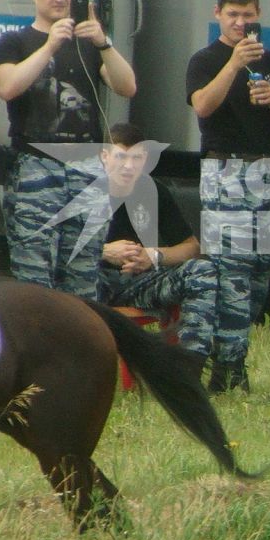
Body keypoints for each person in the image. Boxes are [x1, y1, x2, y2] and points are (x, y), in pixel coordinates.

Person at [0, 0, 137, 297]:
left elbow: (127, 87)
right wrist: (50, 46)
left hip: (86, 165)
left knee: (83, 275)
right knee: (34, 276)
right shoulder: (15, 42)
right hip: (35, 163)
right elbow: (8, 87)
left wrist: (104, 43)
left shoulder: (89, 44)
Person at [186, 0, 270, 393]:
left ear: (259, 15)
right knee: (229, 273)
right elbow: (203, 106)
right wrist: (233, 64)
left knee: (260, 274)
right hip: (225, 171)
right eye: (233, 16)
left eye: (247, 16)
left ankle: (232, 355)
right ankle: (229, 370)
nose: (240, 24)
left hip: (266, 170)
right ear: (218, 15)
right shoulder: (206, 59)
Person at [92, 123, 219, 371]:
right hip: (90, 281)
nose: (128, 166)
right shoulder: (82, 190)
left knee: (203, 271)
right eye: (120, 156)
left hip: (138, 281)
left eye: (136, 158)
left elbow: (191, 247)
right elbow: (58, 247)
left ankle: (189, 367)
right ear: (104, 156)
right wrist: (106, 251)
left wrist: (155, 255)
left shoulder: (152, 191)